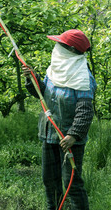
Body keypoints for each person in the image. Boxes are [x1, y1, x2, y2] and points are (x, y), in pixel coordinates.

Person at [23, 29, 96, 210]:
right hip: (50, 134)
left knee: (71, 183)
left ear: (70, 49)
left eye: (60, 44)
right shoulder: (56, 69)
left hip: (69, 140)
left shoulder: (83, 78)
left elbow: (85, 111)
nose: (56, 47)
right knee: (50, 180)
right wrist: (32, 79)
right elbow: (43, 94)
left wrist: (74, 135)